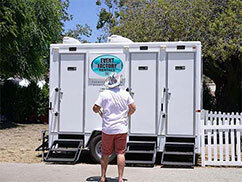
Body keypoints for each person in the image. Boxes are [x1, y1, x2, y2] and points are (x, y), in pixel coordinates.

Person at [93, 72, 136, 182]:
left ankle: (103, 177)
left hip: (108, 129)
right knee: (121, 153)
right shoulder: (125, 94)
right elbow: (133, 107)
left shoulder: (104, 94)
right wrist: (127, 115)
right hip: (121, 128)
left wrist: (100, 111)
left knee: (105, 154)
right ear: (118, 82)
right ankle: (120, 178)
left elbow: (95, 108)